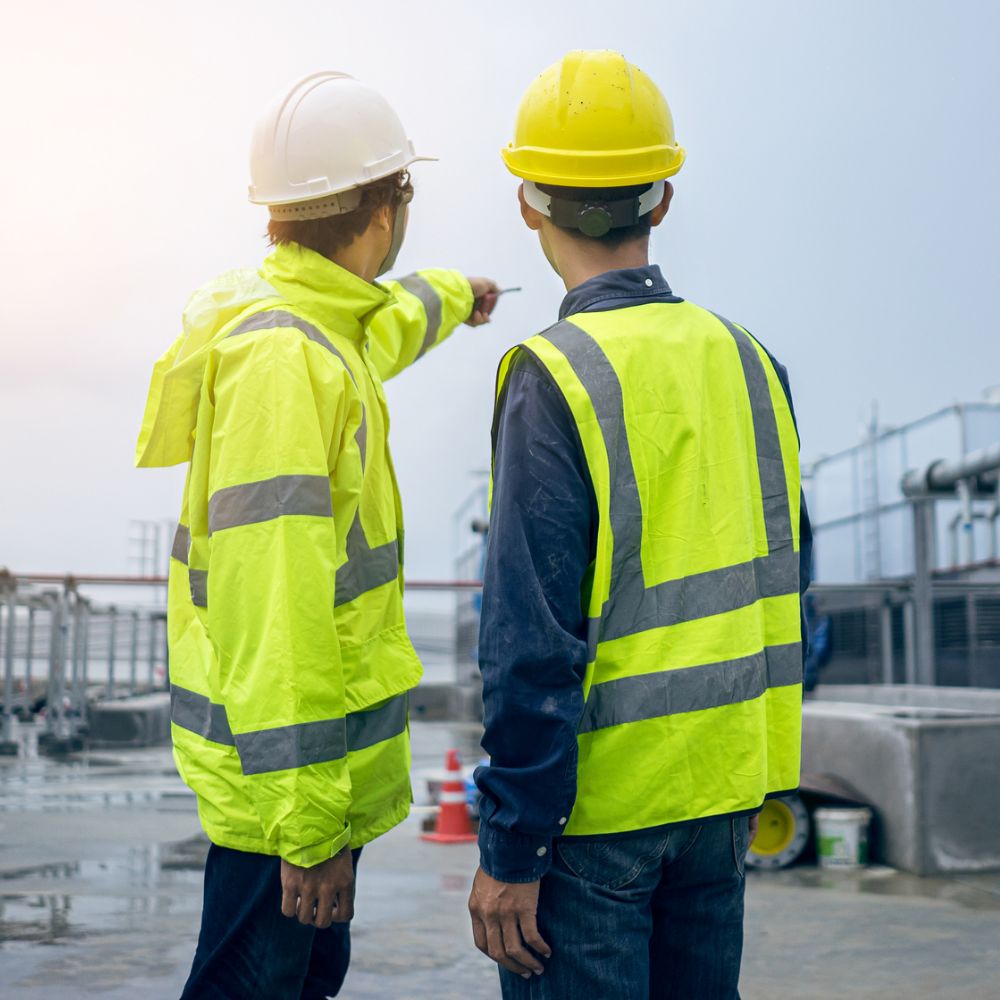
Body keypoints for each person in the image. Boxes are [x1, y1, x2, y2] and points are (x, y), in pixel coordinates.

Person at [135, 71, 499, 999]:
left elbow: (382, 328)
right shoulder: (286, 364)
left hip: (295, 785)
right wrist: (308, 831)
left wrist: (458, 293)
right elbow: (275, 609)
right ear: (384, 208)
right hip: (285, 798)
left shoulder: (309, 325)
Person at [468, 51, 812, 999]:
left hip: (595, 823)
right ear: (663, 199)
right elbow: (790, 582)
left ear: (528, 204)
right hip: (725, 796)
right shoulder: (751, 362)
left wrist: (512, 843)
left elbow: (530, 639)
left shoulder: (551, 371)